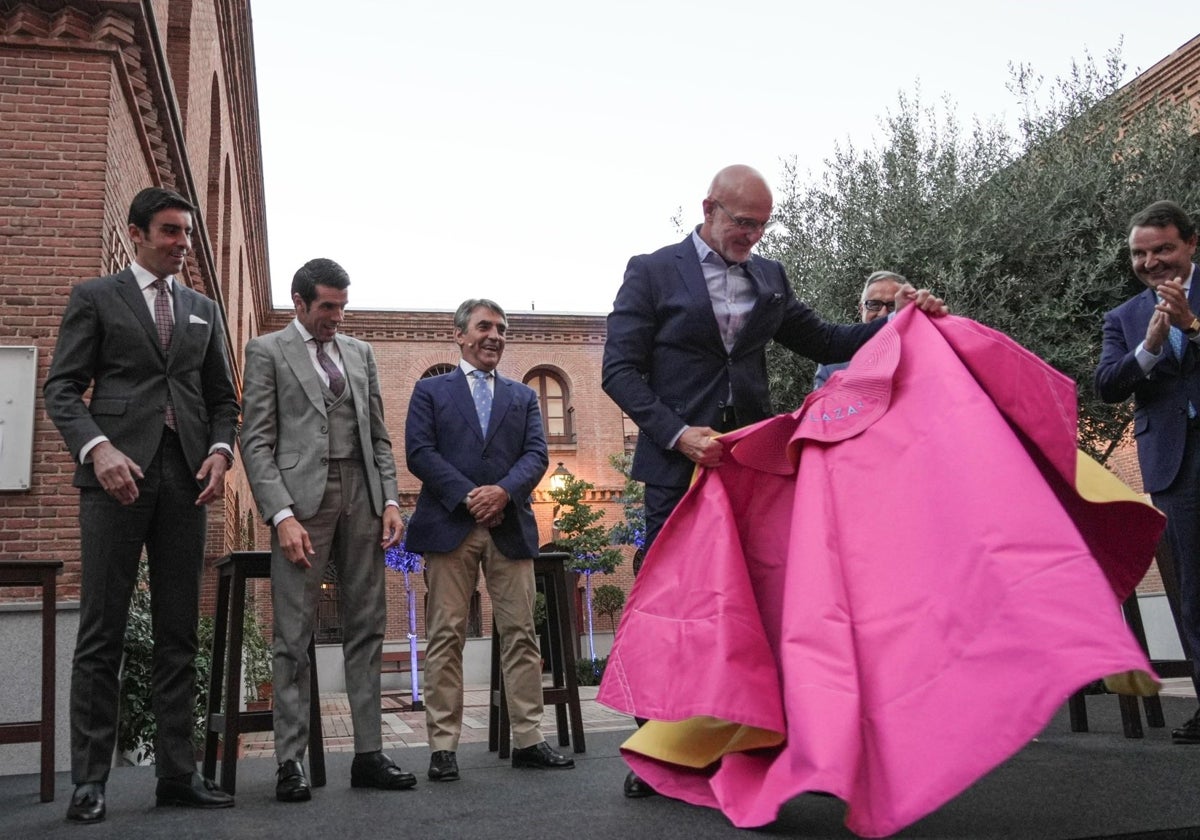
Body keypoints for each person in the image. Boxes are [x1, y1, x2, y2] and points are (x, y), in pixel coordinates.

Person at [602, 164, 945, 798]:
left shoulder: (769, 277)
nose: (752, 236)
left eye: (761, 225)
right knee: (674, 608)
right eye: (741, 223)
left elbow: (827, 340)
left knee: (747, 606)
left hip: (748, 468)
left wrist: (902, 322)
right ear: (708, 208)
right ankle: (657, 750)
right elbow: (619, 372)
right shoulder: (651, 270)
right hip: (679, 468)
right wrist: (679, 434)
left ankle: (738, 742)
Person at [44, 186, 239, 822]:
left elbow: (223, 400)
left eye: (186, 233)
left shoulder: (204, 309)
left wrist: (220, 450)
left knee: (178, 631)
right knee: (101, 631)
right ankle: (90, 782)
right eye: (170, 232)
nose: (183, 243)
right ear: (137, 233)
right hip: (113, 480)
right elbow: (63, 389)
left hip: (186, 481)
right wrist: (97, 450)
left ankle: (178, 775)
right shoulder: (95, 298)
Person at [240, 258, 416, 801]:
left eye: (342, 307)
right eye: (326, 308)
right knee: (293, 633)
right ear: (299, 302)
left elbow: (380, 436)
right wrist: (281, 515)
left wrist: (389, 499)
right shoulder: (266, 351)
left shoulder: (361, 354)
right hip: (301, 504)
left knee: (368, 623)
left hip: (362, 497)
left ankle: (368, 754)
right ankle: (289, 762)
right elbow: (256, 441)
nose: (336, 317)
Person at [405, 298, 574, 782]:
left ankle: (528, 739)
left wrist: (502, 492)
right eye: (484, 326)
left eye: (501, 328)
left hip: (510, 527)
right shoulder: (430, 392)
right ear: (459, 335)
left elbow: (537, 454)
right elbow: (419, 453)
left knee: (521, 635)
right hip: (449, 527)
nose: (494, 335)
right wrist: (467, 495)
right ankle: (443, 747)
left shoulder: (522, 397)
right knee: (445, 638)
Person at [1095, 199, 1200, 744]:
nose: (1152, 262)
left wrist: (1193, 326)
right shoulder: (1124, 317)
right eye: (1140, 254)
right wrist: (1151, 347)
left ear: (1190, 244)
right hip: (1174, 466)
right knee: (1193, 586)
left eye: (1163, 249)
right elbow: (1107, 385)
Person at [813, 270, 906, 388]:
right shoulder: (835, 361)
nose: (883, 313)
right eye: (874, 304)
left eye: (892, 306)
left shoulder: (919, 353)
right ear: (861, 309)